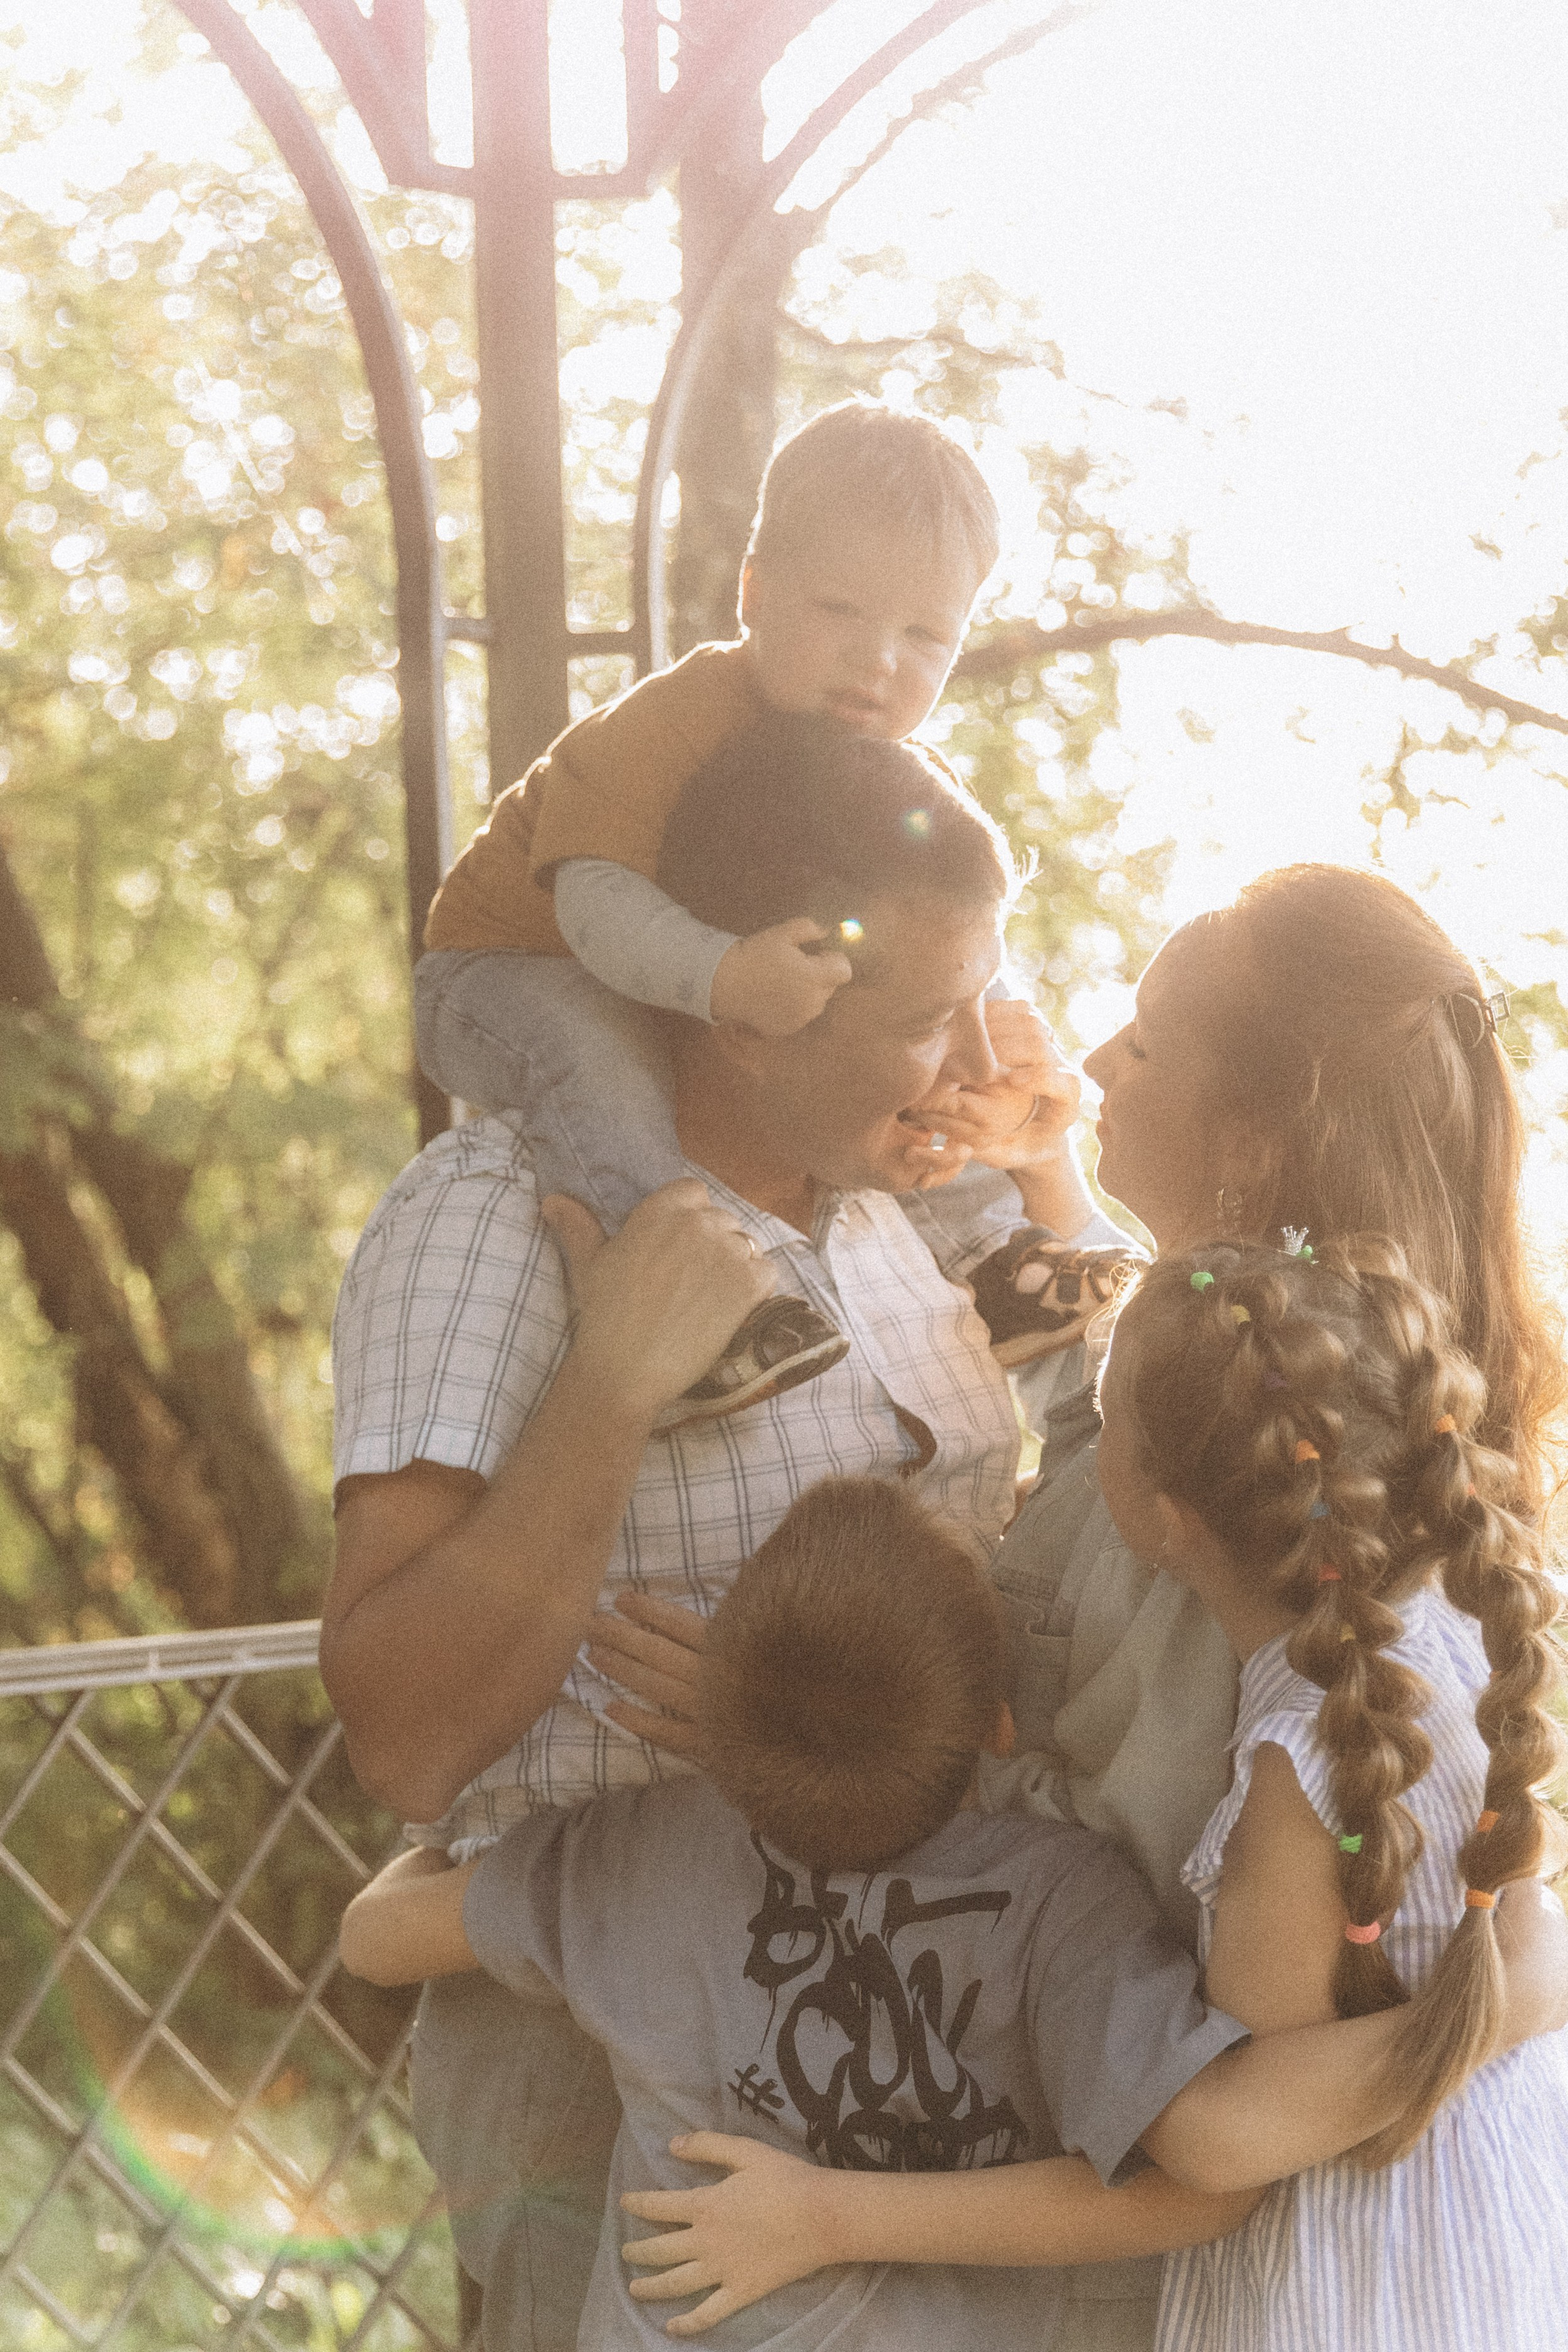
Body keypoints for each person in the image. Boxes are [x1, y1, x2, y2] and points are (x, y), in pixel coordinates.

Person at [585, 861, 1568, 2349]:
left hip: (1183, 2229)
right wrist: (1051, 1177)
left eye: (1150, 1044)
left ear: (1254, 1143)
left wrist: (812, 1714)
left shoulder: (1242, 1547)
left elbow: (1124, 1853)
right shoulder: (1366, 1414)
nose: (1093, 1058)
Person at [323, 719, 1112, 2349]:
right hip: (605, 2067)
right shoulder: (495, 1218)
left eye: (988, 989)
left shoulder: (901, 1214)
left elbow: (1116, 1484)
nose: (977, 1051)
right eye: (925, 1017)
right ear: (752, 1014)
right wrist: (613, 1383)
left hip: (926, 2054)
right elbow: (401, 1734)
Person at [337, 1473, 1554, 2351]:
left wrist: (457, 1843)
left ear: (726, 1724)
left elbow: (377, 1940)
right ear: (1000, 1723)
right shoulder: (1065, 1904)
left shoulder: (643, 1858)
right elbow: (1203, 2185)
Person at [415, 401, 1126, 1423]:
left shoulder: (890, 772)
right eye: (842, 611)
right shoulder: (668, 723)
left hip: (674, 975)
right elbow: (594, 904)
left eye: (925, 634)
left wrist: (996, 1026)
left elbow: (946, 926)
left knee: (912, 1056)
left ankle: (999, 1265)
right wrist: (719, 976)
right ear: (754, 593)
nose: (880, 660)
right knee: (602, 1050)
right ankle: (670, 1300)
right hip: (509, 969)